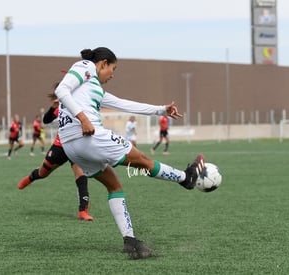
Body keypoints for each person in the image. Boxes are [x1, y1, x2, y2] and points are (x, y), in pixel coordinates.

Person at [54, 47, 206, 259]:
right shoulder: (86, 66)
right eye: (113, 69)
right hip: (89, 135)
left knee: (114, 186)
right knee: (142, 160)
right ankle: (185, 178)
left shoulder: (93, 88)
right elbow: (61, 90)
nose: (113, 74)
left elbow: (124, 104)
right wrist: (84, 118)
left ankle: (130, 240)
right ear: (103, 63)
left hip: (72, 147)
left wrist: (161, 109)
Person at [17, 91, 93, 221]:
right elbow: (46, 120)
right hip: (60, 146)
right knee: (43, 172)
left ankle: (83, 211)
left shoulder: (82, 107)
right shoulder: (61, 108)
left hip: (76, 146)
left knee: (81, 175)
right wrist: (53, 107)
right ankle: (31, 177)